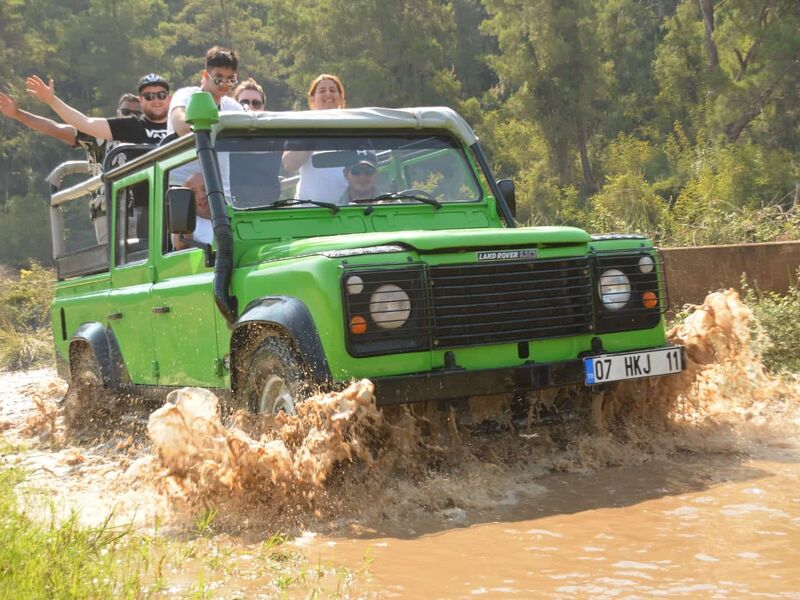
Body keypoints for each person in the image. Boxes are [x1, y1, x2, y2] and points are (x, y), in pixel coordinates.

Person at [25, 73, 170, 145]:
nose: (156, 100)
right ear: (141, 100)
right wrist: (52, 100)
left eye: (161, 95)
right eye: (149, 96)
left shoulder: (181, 124)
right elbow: (85, 123)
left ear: (169, 98)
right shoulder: (131, 126)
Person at [281, 74, 348, 202]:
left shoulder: (354, 127)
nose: (328, 93)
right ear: (312, 99)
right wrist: (316, 130)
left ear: (341, 97)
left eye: (333, 90)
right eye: (322, 91)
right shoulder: (303, 126)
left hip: (348, 211)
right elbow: (289, 164)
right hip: (310, 211)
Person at [167, 46, 243, 137]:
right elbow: (182, 127)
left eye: (230, 80)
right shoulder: (185, 96)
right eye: (218, 79)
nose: (224, 84)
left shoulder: (233, 107)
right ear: (205, 75)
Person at [172, 172, 213, 250]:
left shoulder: (231, 215)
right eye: (193, 192)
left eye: (205, 189)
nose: (201, 196)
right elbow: (180, 246)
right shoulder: (187, 222)